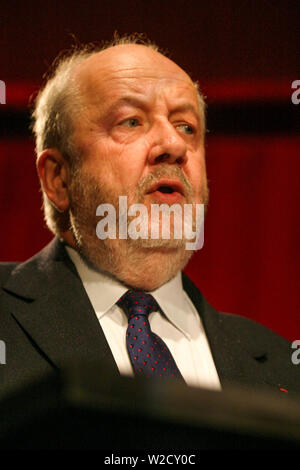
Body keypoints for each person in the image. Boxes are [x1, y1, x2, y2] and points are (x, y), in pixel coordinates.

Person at [0, 35, 299, 398]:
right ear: (59, 178)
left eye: (186, 126)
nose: (173, 146)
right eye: (131, 122)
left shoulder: (284, 366)